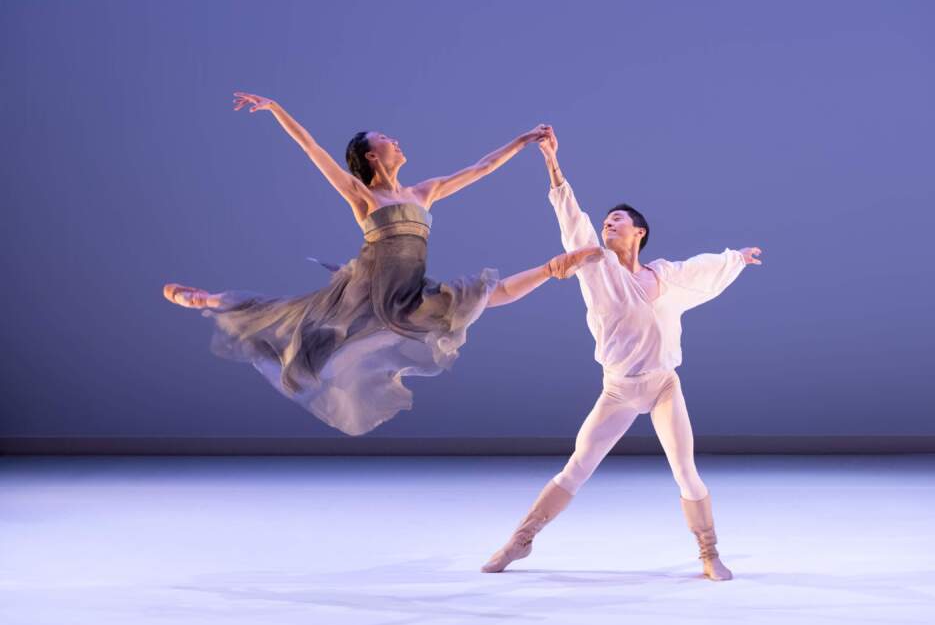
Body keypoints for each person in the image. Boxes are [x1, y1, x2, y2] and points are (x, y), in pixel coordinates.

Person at [163, 92, 601, 436]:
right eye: (385, 139)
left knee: (485, 295)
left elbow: (482, 167)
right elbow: (312, 148)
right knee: (291, 319)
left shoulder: (423, 192)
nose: (395, 141)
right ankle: (209, 299)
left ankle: (553, 268)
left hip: (409, 294)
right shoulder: (364, 196)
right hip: (366, 291)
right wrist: (276, 108)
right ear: (372, 156)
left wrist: (524, 141)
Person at [481, 129, 762, 580]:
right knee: (576, 468)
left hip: (663, 386)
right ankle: (520, 541)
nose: (608, 224)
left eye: (617, 220)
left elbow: (704, 268)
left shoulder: (667, 276)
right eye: (606, 220)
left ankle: (709, 553)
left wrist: (738, 258)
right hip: (617, 390)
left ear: (639, 232)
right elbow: (571, 218)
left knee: (686, 472)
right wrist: (553, 163)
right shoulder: (595, 265)